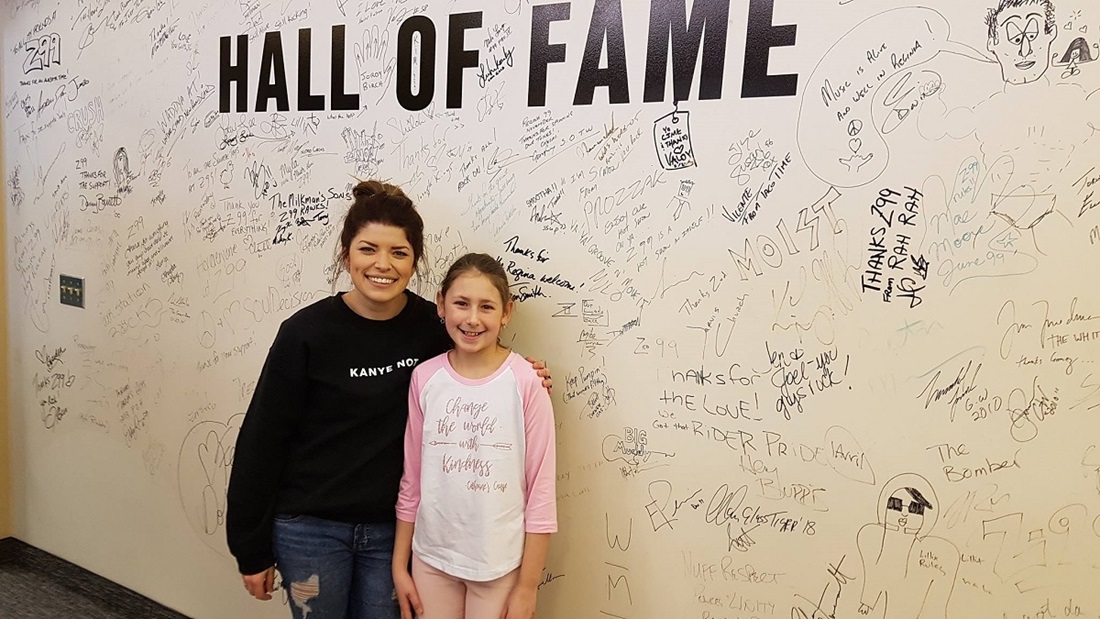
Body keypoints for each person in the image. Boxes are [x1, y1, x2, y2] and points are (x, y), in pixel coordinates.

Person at [226, 182, 550, 619]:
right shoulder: (305, 333)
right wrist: (250, 547)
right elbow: (262, 440)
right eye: (368, 249)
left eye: (398, 252)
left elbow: (477, 360)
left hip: (391, 531)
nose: (383, 264)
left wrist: (527, 373)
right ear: (346, 255)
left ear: (414, 262)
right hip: (311, 529)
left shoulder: (432, 328)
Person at [392, 253, 557, 619]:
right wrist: (399, 566)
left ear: (506, 312)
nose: (472, 319)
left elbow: (541, 494)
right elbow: (412, 481)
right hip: (431, 560)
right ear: (441, 305)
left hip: (499, 565)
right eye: (461, 303)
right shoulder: (425, 378)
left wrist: (527, 588)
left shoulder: (527, 382)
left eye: (486, 306)